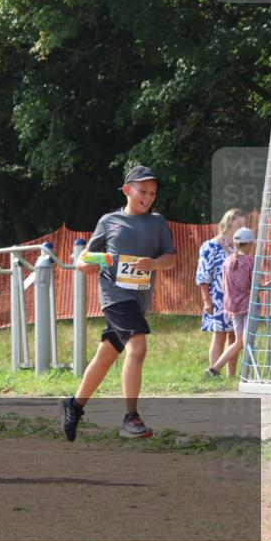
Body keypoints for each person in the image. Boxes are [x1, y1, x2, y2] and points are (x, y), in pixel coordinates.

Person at [62, 165, 177, 441]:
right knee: (137, 347)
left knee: (107, 354)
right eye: (142, 191)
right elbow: (84, 259)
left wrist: (154, 263)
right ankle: (130, 418)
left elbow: (170, 259)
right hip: (114, 298)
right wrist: (88, 264)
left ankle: (74, 405)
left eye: (153, 193)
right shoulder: (109, 221)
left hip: (137, 301)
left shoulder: (158, 223)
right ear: (127, 190)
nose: (148, 198)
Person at [197, 208, 245, 376]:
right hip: (217, 298)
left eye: (243, 225)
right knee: (220, 335)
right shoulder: (210, 246)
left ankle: (231, 375)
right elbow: (203, 276)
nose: (241, 228)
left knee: (234, 335)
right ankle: (213, 372)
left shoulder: (237, 248)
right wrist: (207, 301)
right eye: (239, 224)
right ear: (229, 223)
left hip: (235, 300)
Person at [206, 227, 256, 377]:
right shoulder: (250, 261)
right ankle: (219, 369)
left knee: (239, 341)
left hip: (232, 307)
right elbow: (254, 286)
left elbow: (223, 286)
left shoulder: (227, 261)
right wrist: (270, 285)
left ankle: (214, 369)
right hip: (247, 306)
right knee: (243, 341)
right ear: (248, 244)